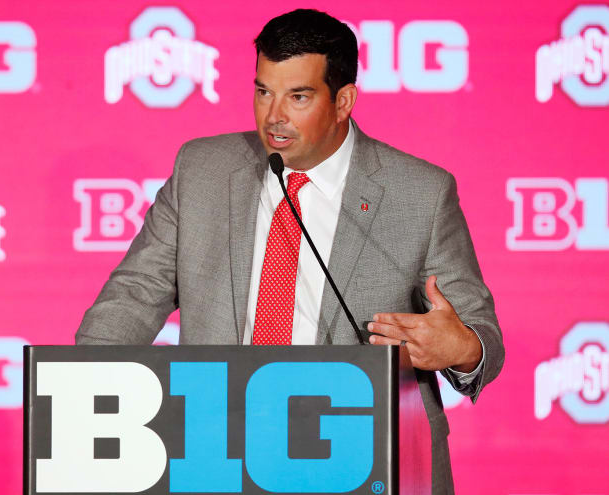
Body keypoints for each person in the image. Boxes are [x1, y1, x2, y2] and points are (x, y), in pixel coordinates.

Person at [76, 9, 504, 494]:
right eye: (263, 92)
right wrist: (83, 385)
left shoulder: (421, 194)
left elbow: (479, 333)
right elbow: (135, 293)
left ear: (343, 101)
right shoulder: (202, 169)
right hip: (219, 449)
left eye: (298, 96)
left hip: (364, 453)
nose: (273, 116)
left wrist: (462, 349)